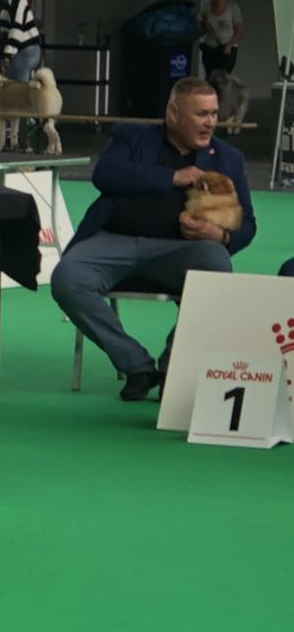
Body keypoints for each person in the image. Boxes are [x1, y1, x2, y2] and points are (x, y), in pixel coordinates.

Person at [51, 77, 256, 402]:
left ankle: (173, 368)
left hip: (182, 251)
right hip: (114, 240)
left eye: (214, 114)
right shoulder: (132, 137)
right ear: (174, 114)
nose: (210, 122)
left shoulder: (228, 157)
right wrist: (172, 177)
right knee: (67, 278)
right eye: (201, 114)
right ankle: (137, 366)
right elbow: (105, 174)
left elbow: (248, 225)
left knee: (217, 263)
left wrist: (221, 235)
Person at [0, 0, 41, 81]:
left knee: (17, 87)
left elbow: (16, 29)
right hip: (24, 49)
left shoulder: (17, 1)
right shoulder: (11, 1)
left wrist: (8, 54)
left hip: (25, 49)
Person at [199, 0, 243, 76]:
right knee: (209, 77)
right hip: (210, 48)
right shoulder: (207, 8)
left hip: (226, 49)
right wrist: (199, 23)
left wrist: (230, 45)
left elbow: (239, 31)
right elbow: (202, 31)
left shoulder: (233, 8)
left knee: (223, 78)